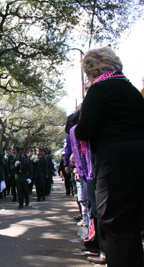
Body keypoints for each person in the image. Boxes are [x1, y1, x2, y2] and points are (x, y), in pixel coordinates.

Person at [74, 46, 144, 266]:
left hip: (113, 162)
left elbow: (85, 129)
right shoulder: (130, 89)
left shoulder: (100, 89)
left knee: (114, 224)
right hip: (139, 159)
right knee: (133, 225)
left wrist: (73, 129)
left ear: (92, 70)